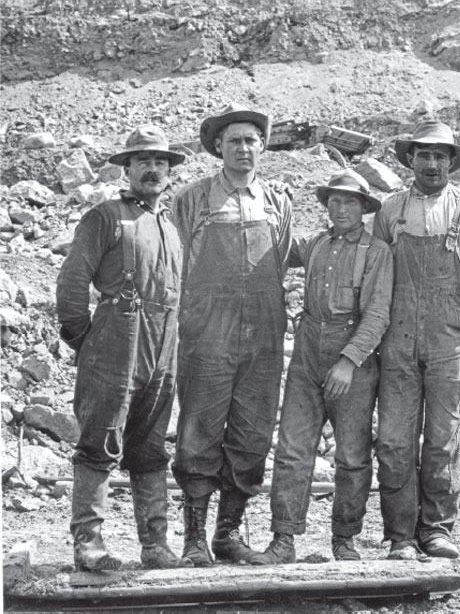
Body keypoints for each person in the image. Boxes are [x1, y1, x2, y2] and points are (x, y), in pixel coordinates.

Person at [56, 124, 186, 572]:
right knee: (100, 440)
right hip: (116, 337)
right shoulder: (106, 216)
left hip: (164, 340)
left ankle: (155, 545)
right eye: (143, 161)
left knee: (150, 446)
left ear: (170, 171)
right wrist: (84, 340)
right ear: (127, 168)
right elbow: (72, 282)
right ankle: (88, 543)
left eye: (161, 162)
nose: (153, 169)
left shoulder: (170, 225)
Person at [171, 102, 292, 566]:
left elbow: (277, 261)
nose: (243, 148)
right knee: (199, 430)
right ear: (218, 147)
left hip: (262, 334)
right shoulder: (193, 198)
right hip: (207, 332)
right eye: (234, 140)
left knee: (253, 433)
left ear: (262, 146)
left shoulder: (278, 199)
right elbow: (177, 265)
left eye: (251, 140)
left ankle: (227, 533)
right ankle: (194, 541)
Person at [254, 169, 393, 565]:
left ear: (364, 208)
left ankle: (344, 539)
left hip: (352, 356)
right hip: (307, 352)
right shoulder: (315, 244)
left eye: (349, 201)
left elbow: (378, 315)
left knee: (351, 455)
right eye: (334, 200)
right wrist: (277, 201)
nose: (340, 208)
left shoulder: (377, 252)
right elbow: (274, 244)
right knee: (293, 449)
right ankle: (283, 538)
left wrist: (348, 362)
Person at [373, 121, 460, 561]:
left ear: (450, 162)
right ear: (410, 159)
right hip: (398, 335)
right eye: (423, 155)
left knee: (442, 437)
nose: (431, 163)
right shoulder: (390, 210)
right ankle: (400, 535)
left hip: (451, 338)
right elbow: (374, 278)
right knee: (393, 438)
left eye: (439, 156)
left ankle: (437, 529)